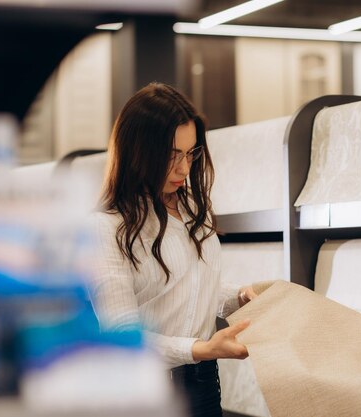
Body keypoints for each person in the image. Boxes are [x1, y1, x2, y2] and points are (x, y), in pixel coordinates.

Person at [89, 82, 258, 417]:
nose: (184, 169)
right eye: (171, 155)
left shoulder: (196, 209)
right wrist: (198, 349)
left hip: (204, 385)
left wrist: (236, 297)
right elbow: (123, 333)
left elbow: (188, 288)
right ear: (137, 152)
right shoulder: (105, 227)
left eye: (190, 153)